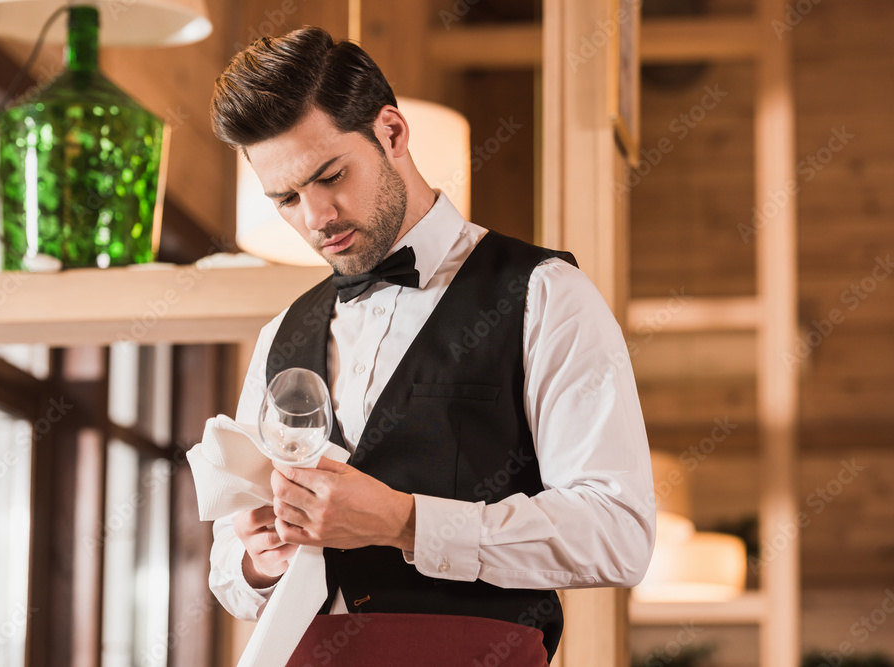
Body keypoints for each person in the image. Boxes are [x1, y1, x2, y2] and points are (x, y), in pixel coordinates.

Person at [203, 26, 655, 664]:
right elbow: (233, 574)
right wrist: (257, 557)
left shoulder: (547, 294)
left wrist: (405, 522)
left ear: (391, 132)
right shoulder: (282, 331)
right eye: (286, 199)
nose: (316, 217)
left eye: (330, 175)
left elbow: (619, 533)